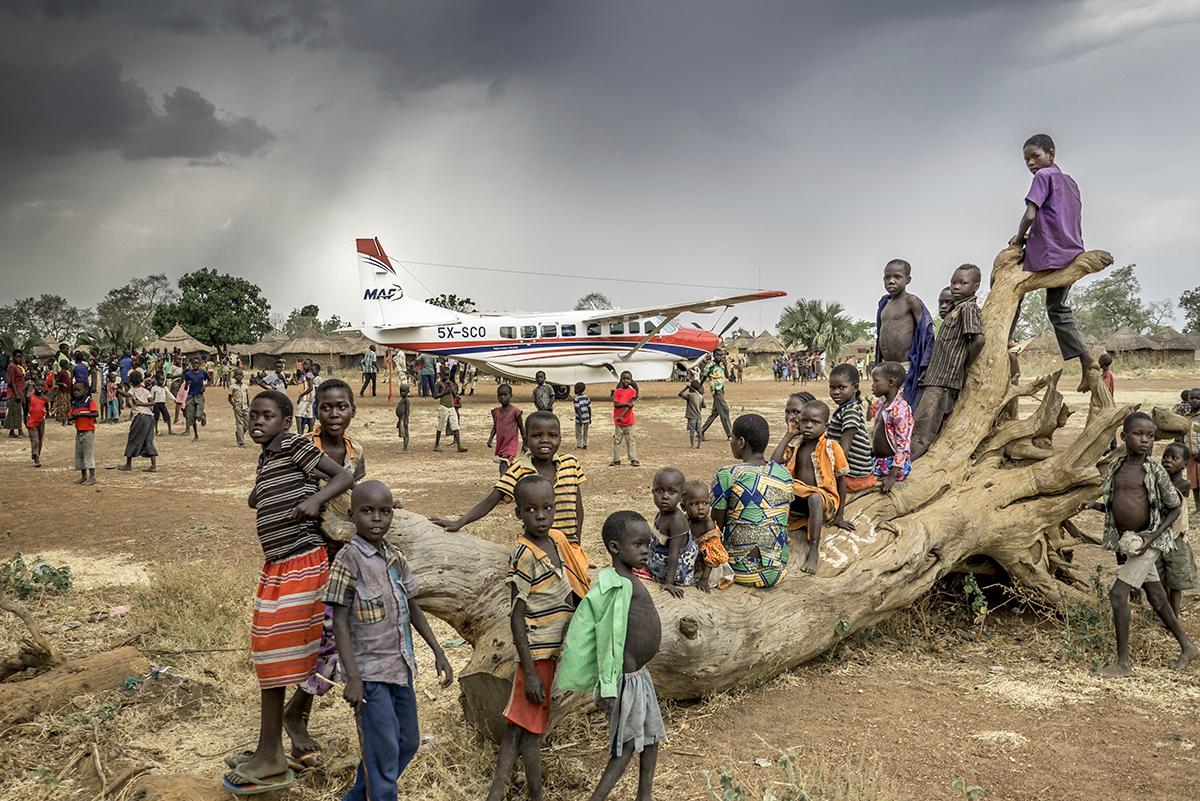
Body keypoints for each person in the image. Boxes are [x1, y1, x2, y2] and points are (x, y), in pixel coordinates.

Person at [221, 390, 355, 795]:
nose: (257, 422)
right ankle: (270, 749)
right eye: (254, 416)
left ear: (285, 420)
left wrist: (315, 498)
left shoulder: (297, 445)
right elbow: (257, 497)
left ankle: (271, 754)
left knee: (275, 655)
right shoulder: (268, 457)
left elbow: (346, 476)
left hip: (302, 560)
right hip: (279, 566)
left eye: (267, 416)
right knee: (268, 654)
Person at [325, 481, 453, 801]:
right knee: (383, 754)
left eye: (384, 511)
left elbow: (412, 607)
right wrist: (352, 676)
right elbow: (339, 619)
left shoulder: (395, 557)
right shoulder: (348, 560)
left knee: (406, 742)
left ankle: (355, 798)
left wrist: (438, 651)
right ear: (353, 514)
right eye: (367, 511)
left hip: (400, 667)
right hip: (369, 675)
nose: (377, 518)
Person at [279, 379, 369, 771]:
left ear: (352, 410)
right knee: (322, 633)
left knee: (335, 632)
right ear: (316, 411)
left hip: (343, 548)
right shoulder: (304, 446)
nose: (335, 414)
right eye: (327, 407)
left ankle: (300, 711)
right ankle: (296, 713)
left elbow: (354, 495)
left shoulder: (356, 451)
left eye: (342, 407)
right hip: (308, 548)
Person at [485, 475, 590, 801]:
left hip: (552, 652)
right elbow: (516, 616)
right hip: (536, 657)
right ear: (518, 513)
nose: (541, 515)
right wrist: (529, 670)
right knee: (530, 733)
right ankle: (535, 795)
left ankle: (497, 791)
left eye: (547, 508)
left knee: (518, 728)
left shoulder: (557, 543)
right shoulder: (524, 555)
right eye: (531, 509)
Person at [1076, 412, 1196, 677]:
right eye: (1139, 434)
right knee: (1156, 596)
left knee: (1118, 595)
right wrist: (1092, 505)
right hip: (1131, 542)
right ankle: (1188, 646)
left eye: (1150, 436)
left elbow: (1174, 509)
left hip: (1149, 540)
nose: (1146, 441)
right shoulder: (1117, 467)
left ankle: (1122, 664)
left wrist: (1152, 537)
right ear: (1124, 437)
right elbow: (1115, 503)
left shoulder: (1155, 471)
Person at [556, 510, 664, 801]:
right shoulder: (615, 586)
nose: (645, 549)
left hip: (641, 676)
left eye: (647, 543)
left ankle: (645, 795)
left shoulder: (628, 578)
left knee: (651, 737)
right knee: (626, 746)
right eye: (638, 544)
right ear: (615, 548)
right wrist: (606, 685)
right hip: (626, 680)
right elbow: (605, 637)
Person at [434, 412, 589, 564]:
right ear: (526, 440)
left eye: (552, 435)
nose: (545, 441)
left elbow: (578, 508)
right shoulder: (518, 470)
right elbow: (491, 500)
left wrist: (577, 543)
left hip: (570, 547)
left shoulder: (571, 463)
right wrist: (460, 522)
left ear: (560, 439)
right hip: (538, 551)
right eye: (537, 435)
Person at [1008, 133, 1096, 393]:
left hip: (1048, 253)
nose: (1031, 163)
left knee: (1012, 289)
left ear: (1051, 154)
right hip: (1072, 252)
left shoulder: (1043, 177)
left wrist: (1019, 239)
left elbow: (1030, 213)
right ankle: (1086, 361)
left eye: (1036, 156)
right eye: (1026, 160)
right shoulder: (1071, 182)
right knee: (1057, 309)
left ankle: (1007, 338)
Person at [711, 414, 795, 588]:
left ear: (741, 442)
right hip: (777, 569)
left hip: (740, 570)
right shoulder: (784, 474)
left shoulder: (728, 474)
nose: (732, 443)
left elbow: (716, 525)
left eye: (732, 438)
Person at [911, 264, 985, 460]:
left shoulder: (968, 309)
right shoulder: (956, 309)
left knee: (924, 424)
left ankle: (909, 461)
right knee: (924, 420)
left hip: (945, 378)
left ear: (975, 286)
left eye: (963, 283)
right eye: (954, 282)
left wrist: (965, 365)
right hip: (936, 376)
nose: (957, 286)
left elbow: (978, 340)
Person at [771, 398, 849, 575]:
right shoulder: (796, 444)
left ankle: (813, 550)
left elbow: (842, 480)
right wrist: (789, 434)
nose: (808, 426)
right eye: (804, 421)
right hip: (798, 497)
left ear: (826, 426)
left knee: (814, 497)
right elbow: (774, 463)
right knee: (775, 489)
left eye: (815, 422)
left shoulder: (832, 447)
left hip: (823, 501)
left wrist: (840, 515)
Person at [875, 259, 935, 411]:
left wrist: (926, 364)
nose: (891, 281)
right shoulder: (884, 304)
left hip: (906, 367)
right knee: (886, 407)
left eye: (897, 277)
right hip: (886, 366)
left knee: (904, 408)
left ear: (908, 280)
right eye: (887, 277)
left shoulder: (911, 301)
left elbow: (926, 332)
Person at [647, 467, 697, 597]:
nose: (665, 496)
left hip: (677, 572)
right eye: (659, 491)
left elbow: (674, 554)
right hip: (660, 561)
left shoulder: (676, 520)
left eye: (672, 492)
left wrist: (669, 583)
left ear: (682, 496)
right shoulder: (661, 514)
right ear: (652, 492)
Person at [1159, 443, 1197, 618]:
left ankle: (1174, 616)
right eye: (1165, 457)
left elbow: (1169, 497)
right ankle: (1166, 616)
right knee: (1161, 580)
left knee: (1175, 582)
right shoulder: (1158, 481)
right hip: (1159, 537)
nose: (1168, 461)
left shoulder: (1183, 484)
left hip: (1176, 538)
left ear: (1185, 464)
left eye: (1174, 458)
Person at [827, 364, 876, 493]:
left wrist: (835, 475)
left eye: (841, 387)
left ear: (855, 387)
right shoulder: (847, 408)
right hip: (857, 472)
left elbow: (844, 448)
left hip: (853, 477)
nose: (836, 392)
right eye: (832, 388)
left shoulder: (850, 411)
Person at [682, 480, 734, 591]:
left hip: (709, 567)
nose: (701, 508)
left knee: (710, 579)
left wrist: (704, 579)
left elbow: (712, 556)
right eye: (694, 504)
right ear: (683, 507)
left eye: (705, 503)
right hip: (694, 561)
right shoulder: (685, 520)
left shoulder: (708, 525)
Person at [870, 362, 913, 493]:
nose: (872, 385)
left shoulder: (900, 409)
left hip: (892, 466)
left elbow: (903, 444)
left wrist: (892, 475)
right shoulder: (883, 405)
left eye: (876, 381)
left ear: (890, 382)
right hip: (879, 462)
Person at [119, 371, 157, 472]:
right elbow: (152, 402)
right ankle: (153, 465)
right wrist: (145, 404)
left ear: (130, 382)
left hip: (140, 417)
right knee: (148, 440)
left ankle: (128, 464)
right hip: (150, 417)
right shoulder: (146, 391)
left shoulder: (132, 390)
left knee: (133, 438)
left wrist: (117, 389)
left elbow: (127, 394)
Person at [67, 380, 98, 485]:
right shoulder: (75, 403)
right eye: (74, 390)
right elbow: (69, 416)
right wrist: (73, 417)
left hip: (88, 431)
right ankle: (83, 476)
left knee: (88, 454)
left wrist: (81, 415)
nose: (76, 392)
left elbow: (95, 414)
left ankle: (92, 476)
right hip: (79, 431)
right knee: (79, 454)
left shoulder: (89, 401)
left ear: (85, 391)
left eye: (78, 390)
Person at [490, 384, 524, 475]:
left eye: (505, 395)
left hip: (511, 442)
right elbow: (495, 427)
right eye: (500, 395)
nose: (502, 397)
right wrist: (490, 439)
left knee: (505, 461)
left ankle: (503, 479)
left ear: (511, 396)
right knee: (507, 462)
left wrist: (525, 443)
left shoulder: (515, 412)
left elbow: (521, 427)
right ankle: (510, 478)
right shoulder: (496, 412)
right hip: (501, 442)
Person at [433, 367, 467, 453]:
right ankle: (436, 445)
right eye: (445, 375)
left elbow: (455, 395)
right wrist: (445, 392)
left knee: (455, 426)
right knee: (440, 426)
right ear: (441, 375)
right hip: (443, 407)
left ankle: (459, 446)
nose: (446, 377)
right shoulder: (439, 384)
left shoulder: (450, 383)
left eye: (448, 375)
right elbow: (435, 396)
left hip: (451, 407)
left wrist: (451, 387)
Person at [700, 352, 732, 440]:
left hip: (721, 389)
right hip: (716, 390)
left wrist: (725, 365)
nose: (720, 357)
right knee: (725, 410)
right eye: (718, 355)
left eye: (721, 355)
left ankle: (701, 431)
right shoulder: (710, 365)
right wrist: (698, 387)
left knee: (715, 413)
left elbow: (727, 376)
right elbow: (703, 377)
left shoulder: (721, 365)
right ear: (714, 356)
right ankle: (730, 434)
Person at [611, 371, 639, 467]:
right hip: (618, 422)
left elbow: (631, 404)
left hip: (629, 421)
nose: (626, 380)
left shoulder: (633, 392)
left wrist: (629, 404)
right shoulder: (617, 391)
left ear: (631, 380)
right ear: (620, 380)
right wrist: (626, 404)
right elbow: (616, 404)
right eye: (624, 378)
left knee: (631, 441)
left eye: (628, 379)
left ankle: (633, 459)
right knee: (617, 441)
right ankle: (616, 459)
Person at [182, 356, 209, 441]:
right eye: (194, 363)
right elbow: (185, 388)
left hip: (199, 396)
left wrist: (205, 386)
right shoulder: (188, 374)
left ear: (200, 364)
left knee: (198, 415)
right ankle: (196, 435)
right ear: (191, 364)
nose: (195, 365)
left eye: (197, 363)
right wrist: (187, 384)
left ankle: (202, 416)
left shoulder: (203, 373)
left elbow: (210, 380)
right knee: (192, 416)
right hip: (191, 396)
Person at [678, 380, 704, 449]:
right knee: (699, 431)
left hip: (691, 416)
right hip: (699, 416)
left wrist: (686, 388)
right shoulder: (701, 396)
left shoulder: (690, 395)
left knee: (692, 431)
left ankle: (692, 445)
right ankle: (699, 445)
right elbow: (704, 405)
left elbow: (680, 394)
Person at [5, 351, 26, 437]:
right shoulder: (12, 367)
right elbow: (12, 382)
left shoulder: (17, 367)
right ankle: (19, 430)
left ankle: (12, 431)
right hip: (14, 393)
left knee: (16, 412)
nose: (19, 359)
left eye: (20, 357)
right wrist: (16, 394)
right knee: (15, 412)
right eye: (17, 357)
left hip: (19, 392)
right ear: (13, 357)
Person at [27, 380, 47, 468]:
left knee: (40, 440)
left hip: (41, 421)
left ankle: (36, 454)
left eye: (42, 386)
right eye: (38, 386)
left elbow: (46, 408)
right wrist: (25, 420)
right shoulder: (30, 397)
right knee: (35, 440)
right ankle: (36, 457)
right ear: (34, 386)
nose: (40, 388)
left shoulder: (45, 398)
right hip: (31, 422)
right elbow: (26, 408)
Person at [228, 368, 250, 447]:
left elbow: (247, 397)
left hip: (245, 407)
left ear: (243, 376)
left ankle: (239, 434)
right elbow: (229, 398)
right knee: (239, 424)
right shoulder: (232, 387)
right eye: (237, 375)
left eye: (240, 375)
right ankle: (241, 442)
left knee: (247, 424)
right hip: (238, 407)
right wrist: (234, 405)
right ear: (234, 376)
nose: (239, 377)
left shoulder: (245, 386)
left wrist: (249, 406)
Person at [572, 382, 591, 450]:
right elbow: (589, 408)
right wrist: (590, 418)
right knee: (585, 432)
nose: (574, 390)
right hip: (587, 417)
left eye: (575, 389)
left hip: (579, 419)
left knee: (578, 432)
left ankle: (579, 445)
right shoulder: (586, 397)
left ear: (578, 390)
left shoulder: (576, 399)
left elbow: (578, 409)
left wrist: (580, 419)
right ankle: (585, 444)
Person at [394, 383, 410, 450]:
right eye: (400, 391)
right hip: (401, 419)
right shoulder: (402, 400)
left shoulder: (406, 400)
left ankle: (405, 448)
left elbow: (407, 411)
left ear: (408, 392)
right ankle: (404, 447)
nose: (402, 393)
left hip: (403, 418)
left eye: (403, 391)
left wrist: (406, 420)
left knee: (405, 434)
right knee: (403, 434)